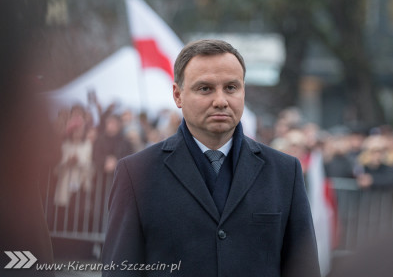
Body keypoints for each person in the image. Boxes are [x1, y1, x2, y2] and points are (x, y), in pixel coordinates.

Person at [102, 39, 321, 277]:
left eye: (231, 87)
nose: (220, 101)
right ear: (177, 95)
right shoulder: (136, 173)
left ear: (243, 91)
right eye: (205, 88)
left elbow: (303, 268)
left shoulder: (285, 172)